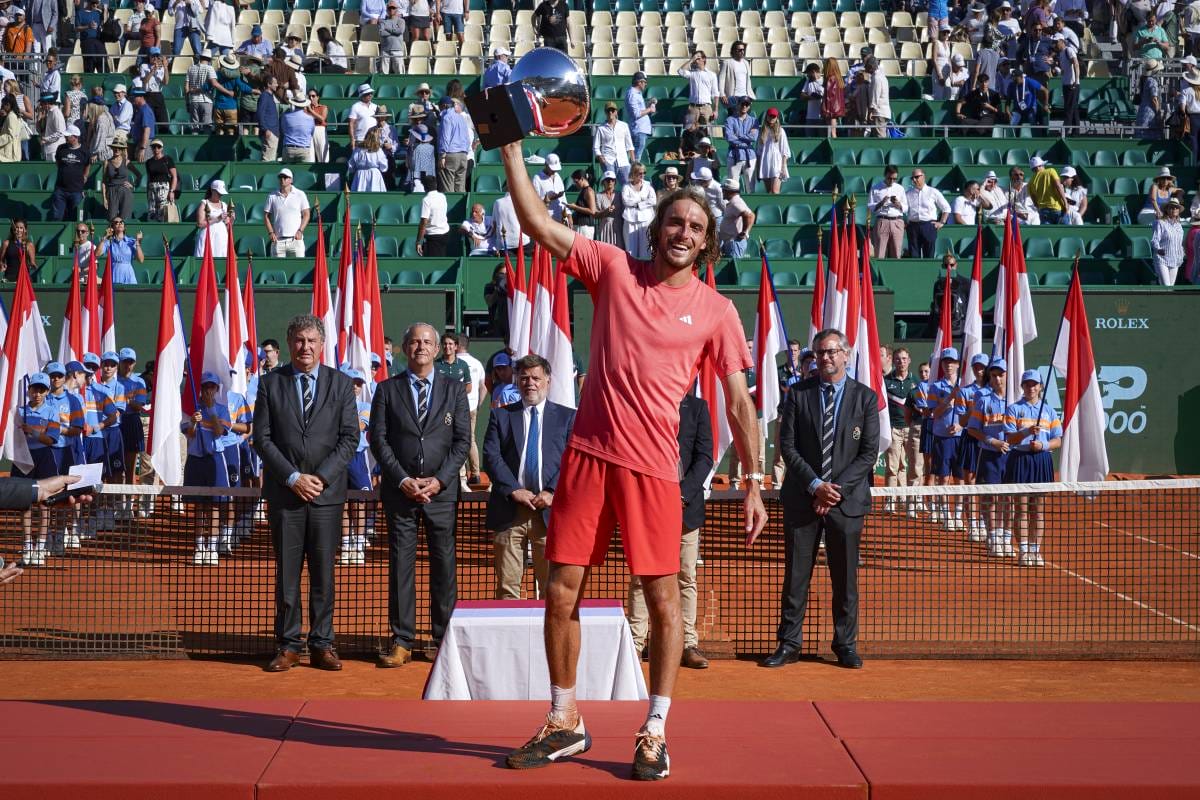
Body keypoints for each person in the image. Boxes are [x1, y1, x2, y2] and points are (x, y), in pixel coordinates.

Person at [496, 135, 765, 781]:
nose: (684, 231)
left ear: (707, 243)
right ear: (657, 227)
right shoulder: (614, 267)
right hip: (588, 458)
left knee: (665, 602)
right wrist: (509, 149)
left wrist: (755, 478)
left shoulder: (718, 312)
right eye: (675, 220)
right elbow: (536, 220)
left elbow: (738, 403)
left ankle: (654, 730)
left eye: (696, 227)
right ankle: (565, 721)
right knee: (560, 592)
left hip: (652, 471)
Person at [765, 328, 879, 670]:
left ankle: (845, 645)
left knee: (845, 579)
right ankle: (789, 644)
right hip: (803, 499)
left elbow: (868, 452)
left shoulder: (866, 398)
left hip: (847, 503)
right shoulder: (798, 394)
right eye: (818, 353)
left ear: (845, 354)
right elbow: (788, 446)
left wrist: (834, 490)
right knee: (796, 576)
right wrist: (815, 485)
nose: (824, 358)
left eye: (830, 352)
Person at [254, 314, 359, 672]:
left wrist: (321, 478)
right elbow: (262, 439)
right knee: (287, 574)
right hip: (286, 495)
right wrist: (293, 477)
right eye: (299, 340)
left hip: (327, 497)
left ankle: (322, 643)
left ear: (322, 344)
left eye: (312, 341)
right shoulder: (270, 384)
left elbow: (350, 438)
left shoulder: (342, 384)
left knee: (323, 574)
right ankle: (288, 644)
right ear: (289, 343)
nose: (306, 347)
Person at [370, 322, 470, 666]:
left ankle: (443, 638)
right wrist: (401, 480)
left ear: (438, 348)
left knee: (444, 566)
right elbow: (378, 441)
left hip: (441, 495)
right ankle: (402, 640)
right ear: (404, 347)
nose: (421, 347)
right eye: (414, 342)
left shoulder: (455, 390)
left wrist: (440, 481)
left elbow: (461, 442)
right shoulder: (386, 390)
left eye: (427, 342)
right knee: (401, 566)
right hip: (402, 494)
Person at [627, 392, 713, 670]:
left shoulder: (698, 408)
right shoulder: (644, 402)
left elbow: (704, 457)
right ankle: (635, 643)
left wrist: (681, 494)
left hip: (686, 507)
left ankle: (687, 644)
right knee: (642, 576)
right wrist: (655, 495)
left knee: (686, 576)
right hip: (648, 505)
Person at [483, 353, 575, 600]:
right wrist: (514, 490)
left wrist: (552, 492)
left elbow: (572, 459)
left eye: (535, 377)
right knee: (507, 589)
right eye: (524, 378)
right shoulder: (500, 415)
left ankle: (548, 640)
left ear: (548, 381)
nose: (530, 383)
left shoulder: (568, 417)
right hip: (510, 510)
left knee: (552, 590)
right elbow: (491, 456)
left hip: (550, 513)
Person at [1003, 370, 1061, 567]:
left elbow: (1057, 440)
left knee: (1038, 510)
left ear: (1040, 387)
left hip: (1042, 460)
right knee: (1021, 508)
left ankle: (1035, 551)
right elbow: (1009, 439)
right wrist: (1027, 432)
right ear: (1022, 387)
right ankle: (1024, 549)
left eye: (1035, 384)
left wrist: (1043, 445)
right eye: (1027, 384)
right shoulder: (1013, 410)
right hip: (1020, 459)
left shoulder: (1049, 411)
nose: (1031, 388)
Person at [967, 358, 1012, 557]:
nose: (997, 379)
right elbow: (972, 429)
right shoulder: (984, 400)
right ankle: (993, 536)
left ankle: (1006, 537)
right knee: (989, 497)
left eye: (1001, 375)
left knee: (1010, 497)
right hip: (988, 455)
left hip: (1011, 456)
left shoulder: (1015, 401)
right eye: (993, 375)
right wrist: (993, 442)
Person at [926, 347, 965, 529]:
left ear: (958, 364)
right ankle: (945, 515)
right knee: (943, 478)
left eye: (952, 362)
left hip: (960, 438)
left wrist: (960, 425)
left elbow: (971, 413)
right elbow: (933, 413)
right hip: (942, 438)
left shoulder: (965, 386)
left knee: (960, 478)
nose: (948, 365)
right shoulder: (935, 387)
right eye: (945, 362)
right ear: (941, 365)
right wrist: (950, 397)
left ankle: (957, 515)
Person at [882, 347, 918, 504]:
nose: (901, 362)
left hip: (911, 429)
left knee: (911, 467)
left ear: (909, 360)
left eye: (904, 359)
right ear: (893, 360)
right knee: (892, 467)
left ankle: (910, 501)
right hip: (893, 428)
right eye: (898, 359)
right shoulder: (886, 381)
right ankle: (891, 500)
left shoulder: (916, 381)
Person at [264, 167, 310, 257]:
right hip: (278, 241)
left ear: (291, 180)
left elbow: (306, 214)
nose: (282, 180)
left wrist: (300, 231)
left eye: (285, 177)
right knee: (277, 270)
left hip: (295, 240)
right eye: (280, 177)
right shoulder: (272, 196)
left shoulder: (300, 194)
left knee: (299, 267)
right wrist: (271, 232)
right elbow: (266, 216)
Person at [905, 169, 951, 258]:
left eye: (917, 177)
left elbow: (946, 208)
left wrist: (942, 222)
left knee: (929, 254)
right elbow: (903, 209)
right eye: (912, 178)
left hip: (928, 225)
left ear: (924, 177)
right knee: (914, 255)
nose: (914, 180)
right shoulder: (908, 193)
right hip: (913, 226)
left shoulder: (933, 192)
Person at [50, 125, 88, 221]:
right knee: (57, 217)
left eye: (68, 136)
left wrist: (85, 176)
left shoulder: (84, 151)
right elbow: (58, 163)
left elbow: (87, 165)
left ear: (75, 137)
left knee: (75, 218)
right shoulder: (61, 148)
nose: (65, 137)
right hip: (60, 189)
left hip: (76, 190)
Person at [593, 101, 635, 187]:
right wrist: (600, 156)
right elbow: (595, 147)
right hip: (608, 160)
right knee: (609, 187)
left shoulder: (624, 126)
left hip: (623, 160)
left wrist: (633, 161)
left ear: (616, 111)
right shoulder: (601, 128)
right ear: (605, 112)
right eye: (608, 111)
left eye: (612, 110)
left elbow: (629, 145)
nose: (610, 112)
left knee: (628, 186)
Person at [870, 165, 907, 258]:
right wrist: (881, 203)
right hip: (882, 220)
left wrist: (898, 204)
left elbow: (906, 207)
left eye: (895, 178)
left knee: (897, 252)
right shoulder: (875, 188)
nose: (892, 181)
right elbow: (870, 206)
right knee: (880, 253)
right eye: (889, 178)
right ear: (885, 175)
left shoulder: (900, 188)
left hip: (897, 221)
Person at [619, 163, 656, 259]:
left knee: (646, 250)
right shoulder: (626, 186)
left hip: (646, 221)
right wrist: (643, 200)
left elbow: (653, 200)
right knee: (630, 250)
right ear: (634, 173)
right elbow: (626, 201)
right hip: (630, 220)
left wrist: (638, 204)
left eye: (644, 172)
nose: (643, 175)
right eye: (640, 173)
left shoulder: (648, 185)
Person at [437, 95, 471, 193]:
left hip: (450, 155)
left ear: (444, 106)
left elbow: (445, 138)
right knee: (460, 190)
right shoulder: (461, 118)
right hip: (463, 155)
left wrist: (442, 156)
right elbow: (467, 138)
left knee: (448, 190)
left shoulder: (446, 117)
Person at [723, 96, 758, 193]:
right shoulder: (729, 120)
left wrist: (738, 136)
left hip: (749, 156)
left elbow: (754, 138)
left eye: (747, 104)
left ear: (749, 106)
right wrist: (746, 137)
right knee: (732, 187)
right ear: (738, 104)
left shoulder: (754, 121)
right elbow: (729, 137)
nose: (744, 106)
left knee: (750, 188)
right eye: (742, 104)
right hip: (734, 155)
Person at [101, 134, 139, 222]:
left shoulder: (126, 162)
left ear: (122, 150)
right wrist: (104, 198)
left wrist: (132, 185)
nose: (117, 149)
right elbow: (104, 181)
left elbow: (139, 175)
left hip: (125, 191)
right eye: (115, 147)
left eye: (119, 148)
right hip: (111, 191)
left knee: (125, 219)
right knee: (112, 219)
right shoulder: (107, 162)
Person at [677, 49, 721, 122]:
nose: (696, 60)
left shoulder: (712, 75)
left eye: (698, 58)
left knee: (707, 131)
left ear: (704, 59)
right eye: (695, 58)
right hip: (693, 107)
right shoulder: (691, 73)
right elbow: (680, 71)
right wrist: (691, 60)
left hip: (706, 107)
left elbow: (716, 93)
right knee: (691, 130)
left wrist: (716, 110)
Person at [755, 107, 790, 194]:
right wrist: (758, 168)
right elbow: (759, 152)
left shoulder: (781, 131)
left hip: (777, 164)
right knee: (769, 192)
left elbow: (785, 151)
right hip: (765, 163)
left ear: (777, 118)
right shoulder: (761, 132)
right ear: (766, 117)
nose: (771, 118)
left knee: (775, 191)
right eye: (770, 116)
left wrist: (783, 167)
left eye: (774, 117)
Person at [97, 218, 143, 284]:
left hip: (128, 273)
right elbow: (97, 254)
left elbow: (141, 260)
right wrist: (104, 238)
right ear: (112, 227)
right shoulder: (108, 242)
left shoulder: (132, 241)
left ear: (124, 227)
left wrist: (138, 242)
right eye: (116, 222)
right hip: (113, 272)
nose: (119, 223)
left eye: (121, 222)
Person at [1151, 197, 1185, 286]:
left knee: (1170, 287)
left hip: (1175, 259)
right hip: (1162, 259)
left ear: (1178, 210)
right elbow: (1155, 239)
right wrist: (1158, 249)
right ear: (1167, 209)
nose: (1174, 209)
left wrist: (1182, 252)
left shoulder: (1179, 226)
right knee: (1167, 286)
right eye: (1171, 207)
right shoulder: (1160, 223)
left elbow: (1179, 243)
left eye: (1176, 207)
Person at [718, 177, 754, 258]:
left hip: (734, 243)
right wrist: (746, 232)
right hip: (732, 242)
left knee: (734, 265)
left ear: (729, 191)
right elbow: (752, 215)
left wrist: (745, 232)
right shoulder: (737, 201)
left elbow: (748, 215)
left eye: (724, 190)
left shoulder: (735, 203)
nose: (722, 192)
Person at [624, 71, 655, 163]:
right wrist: (650, 109)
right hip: (638, 130)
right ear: (639, 82)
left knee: (636, 158)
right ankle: (633, 176)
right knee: (636, 160)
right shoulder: (632, 94)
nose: (646, 84)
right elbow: (636, 114)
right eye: (645, 82)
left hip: (640, 130)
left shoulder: (636, 93)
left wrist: (648, 105)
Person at [1027, 156, 1068, 225]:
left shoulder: (1030, 182)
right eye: (1042, 165)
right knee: (1067, 232)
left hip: (1043, 211)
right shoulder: (1050, 171)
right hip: (1057, 209)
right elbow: (1058, 186)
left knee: (1048, 234)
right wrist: (1065, 203)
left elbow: (1035, 202)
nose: (1044, 166)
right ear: (1039, 166)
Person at [194, 180, 231, 256]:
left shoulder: (224, 205)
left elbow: (227, 226)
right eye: (218, 193)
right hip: (207, 237)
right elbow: (200, 224)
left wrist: (232, 219)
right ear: (212, 190)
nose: (221, 195)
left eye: (222, 193)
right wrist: (217, 218)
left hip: (221, 238)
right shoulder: (204, 203)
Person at [416, 175, 450, 256]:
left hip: (434, 237)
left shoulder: (426, 200)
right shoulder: (443, 196)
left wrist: (418, 241)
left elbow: (424, 222)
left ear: (425, 187)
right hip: (445, 234)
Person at [278, 96, 315, 163]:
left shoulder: (285, 116)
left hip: (288, 149)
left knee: (287, 171)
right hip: (304, 149)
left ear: (294, 104)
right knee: (304, 172)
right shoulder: (310, 118)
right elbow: (311, 133)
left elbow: (283, 131)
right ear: (304, 105)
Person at [564, 170, 596, 240]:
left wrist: (575, 207)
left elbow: (592, 211)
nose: (575, 184)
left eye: (576, 181)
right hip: (582, 227)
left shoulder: (589, 191)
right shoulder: (584, 190)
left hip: (585, 228)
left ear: (582, 179)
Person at [593, 171, 622, 247]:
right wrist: (606, 211)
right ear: (603, 182)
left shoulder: (620, 194)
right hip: (604, 227)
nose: (610, 182)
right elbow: (596, 215)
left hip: (619, 227)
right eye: (607, 180)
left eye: (612, 180)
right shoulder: (598, 196)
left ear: (615, 182)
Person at [257, 75, 282, 162]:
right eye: (275, 83)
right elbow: (260, 113)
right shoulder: (264, 96)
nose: (277, 85)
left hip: (274, 133)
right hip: (270, 132)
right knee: (267, 161)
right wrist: (265, 129)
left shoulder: (270, 96)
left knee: (271, 160)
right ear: (268, 84)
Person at [36, 92, 66, 162]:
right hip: (49, 150)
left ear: (46, 103)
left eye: (41, 103)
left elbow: (60, 132)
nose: (40, 106)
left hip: (55, 150)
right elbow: (39, 130)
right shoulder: (49, 113)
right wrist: (39, 115)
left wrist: (46, 139)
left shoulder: (56, 113)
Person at [821, 57, 846, 138]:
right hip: (836, 108)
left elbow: (829, 96)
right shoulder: (839, 78)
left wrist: (826, 110)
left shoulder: (831, 79)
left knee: (832, 133)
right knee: (832, 132)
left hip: (831, 110)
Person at [800, 62, 825, 138]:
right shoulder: (808, 81)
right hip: (810, 117)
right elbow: (802, 95)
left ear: (813, 72)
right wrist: (811, 97)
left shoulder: (825, 81)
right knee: (809, 139)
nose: (807, 75)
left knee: (822, 139)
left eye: (808, 73)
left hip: (822, 117)